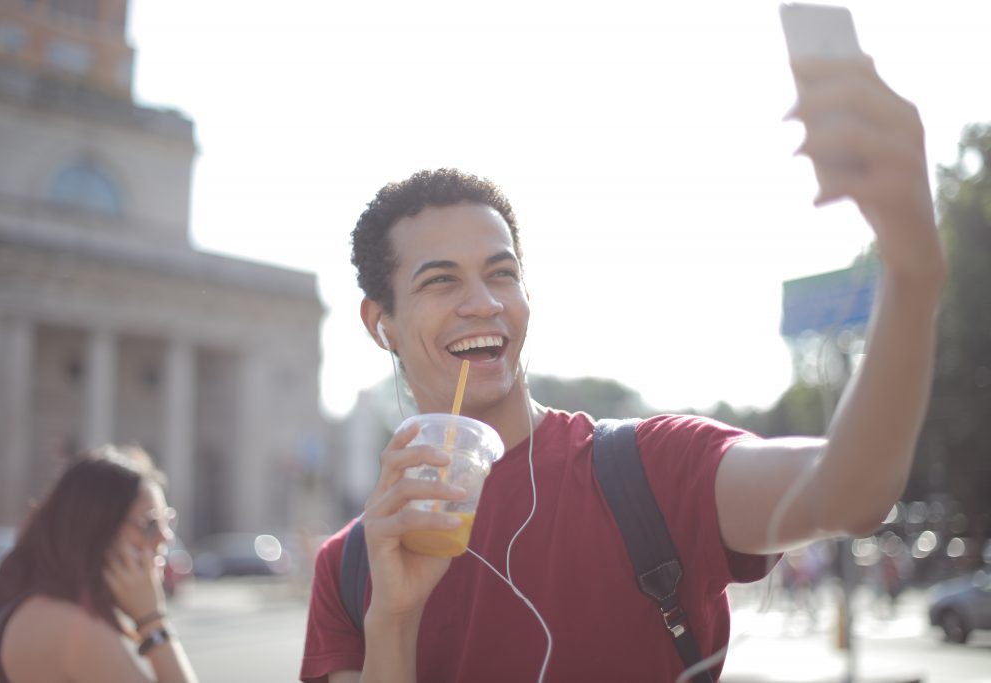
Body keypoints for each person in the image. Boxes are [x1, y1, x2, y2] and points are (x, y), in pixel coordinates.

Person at [300, 55, 946, 683]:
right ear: (379, 322)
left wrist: (912, 275)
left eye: (502, 273)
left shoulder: (649, 469)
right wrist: (394, 616)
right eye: (442, 281)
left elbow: (852, 490)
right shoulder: (352, 565)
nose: (484, 303)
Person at [0, 445, 199, 683]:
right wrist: (153, 622)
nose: (166, 537)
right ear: (95, 531)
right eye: (150, 524)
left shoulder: (0, 602)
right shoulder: (74, 631)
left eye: (167, 520)